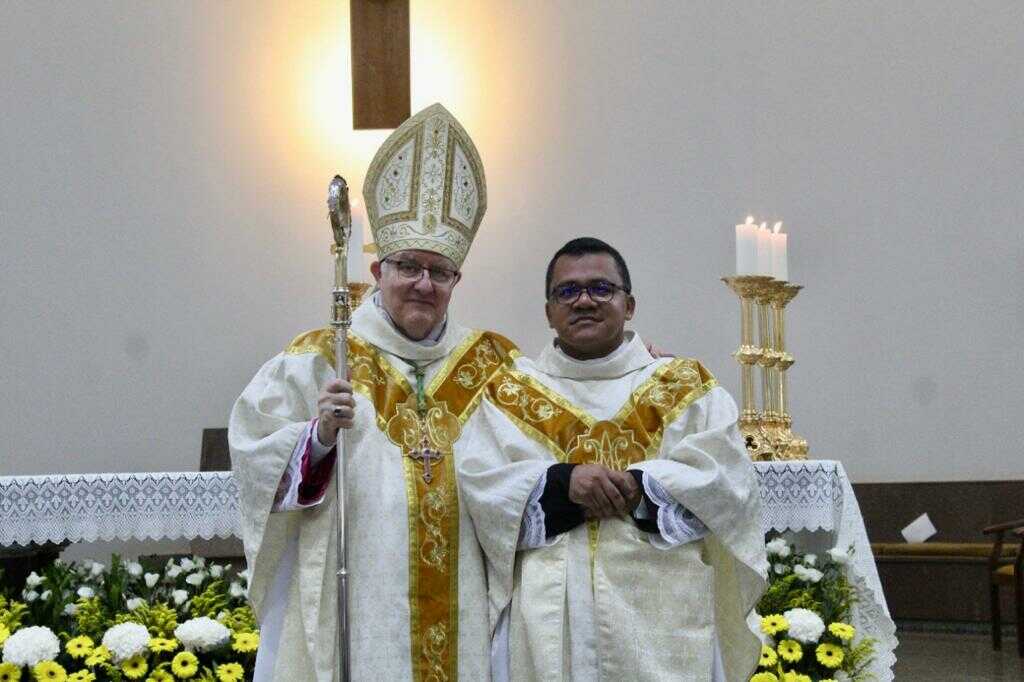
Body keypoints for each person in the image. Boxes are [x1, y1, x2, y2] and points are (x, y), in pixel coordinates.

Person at [229, 103, 517, 681]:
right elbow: (254, 451)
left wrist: (635, 363)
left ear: (456, 281)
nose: (423, 283)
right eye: (408, 266)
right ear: (379, 268)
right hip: (358, 594)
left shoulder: (493, 362)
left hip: (464, 597)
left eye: (440, 271)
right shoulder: (321, 355)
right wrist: (317, 439)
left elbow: (558, 425)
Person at [459, 237, 769, 681]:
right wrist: (562, 484)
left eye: (601, 288)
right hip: (548, 614)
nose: (584, 300)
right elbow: (481, 486)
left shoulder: (682, 384)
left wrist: (643, 487)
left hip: (662, 608)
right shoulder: (509, 393)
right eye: (567, 291)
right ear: (548, 311)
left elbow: (726, 480)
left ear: (630, 304)